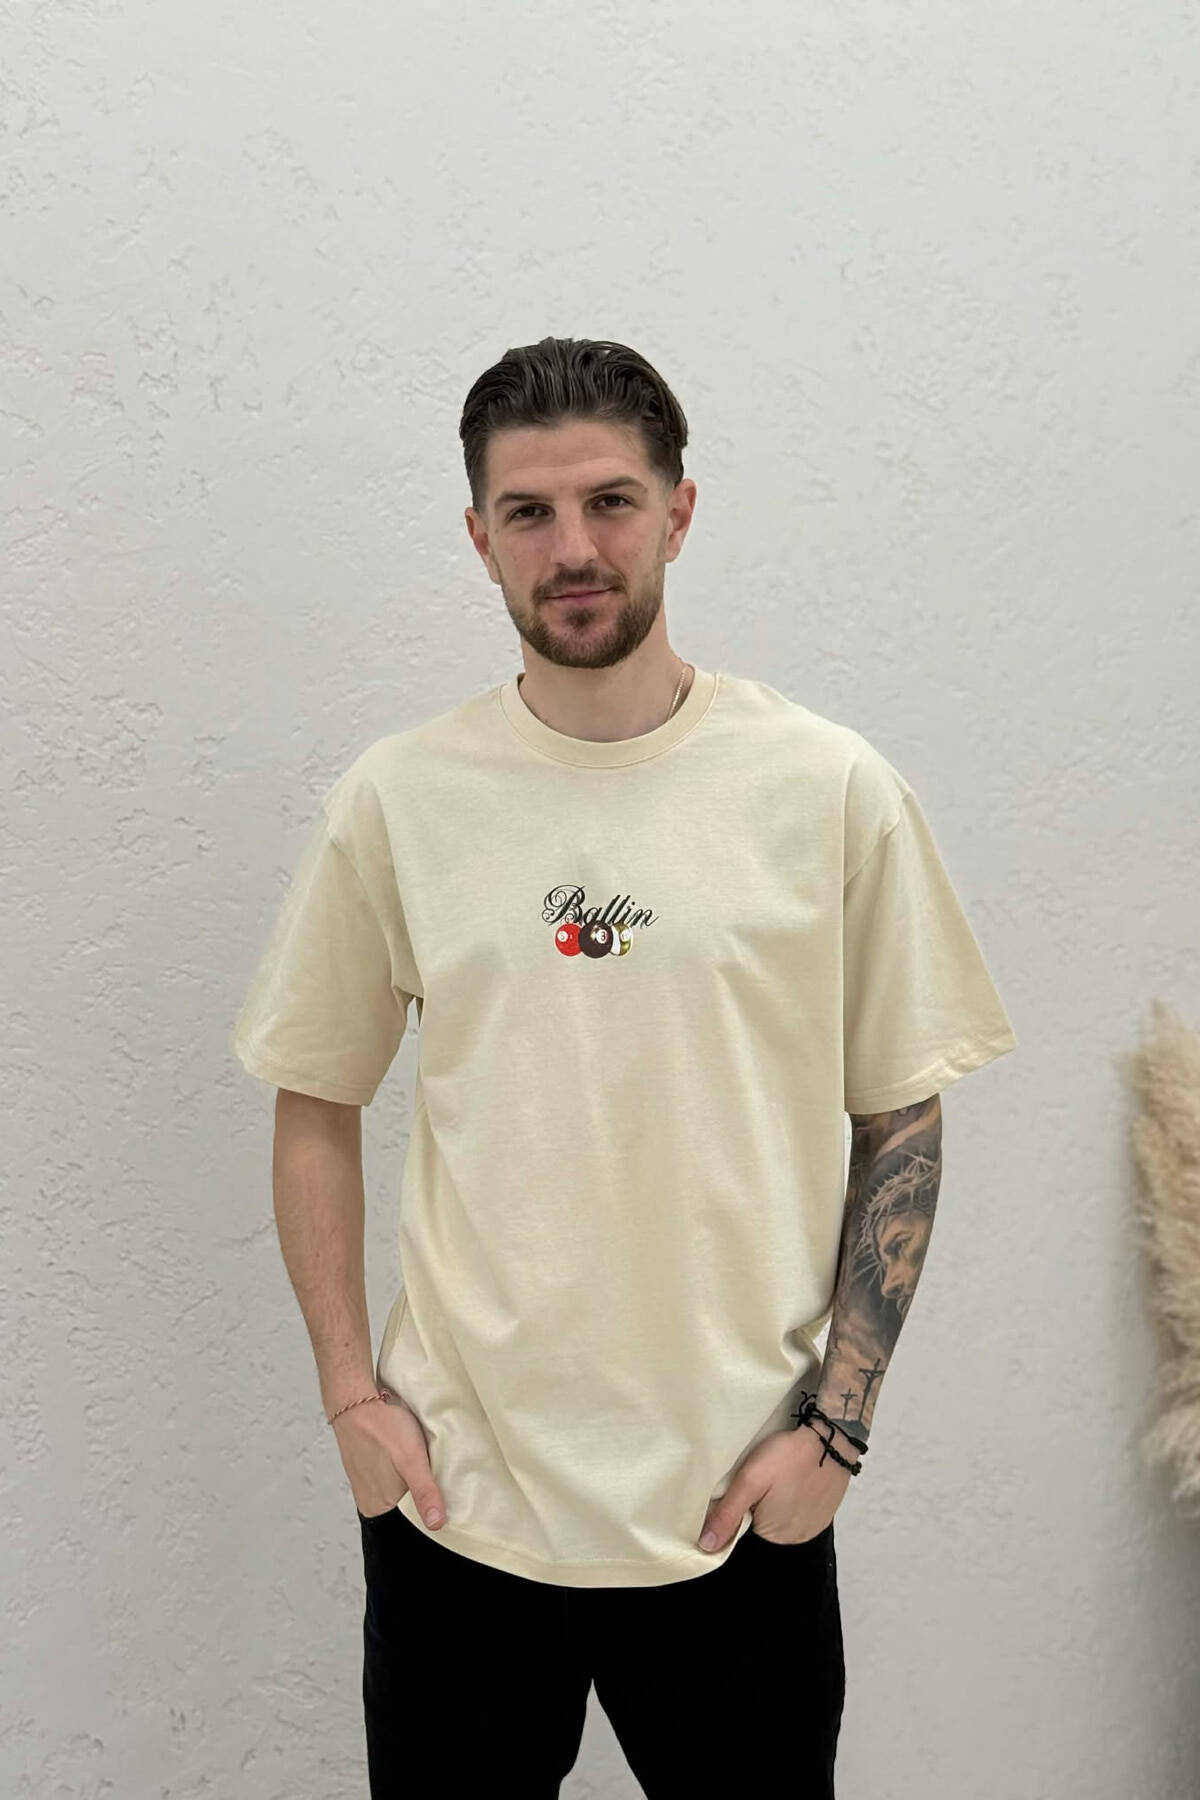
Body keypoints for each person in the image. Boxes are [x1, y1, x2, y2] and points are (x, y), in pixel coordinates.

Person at [230, 335, 1018, 1797]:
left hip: (739, 1506)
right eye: (528, 513)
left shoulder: (828, 789)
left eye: (610, 501)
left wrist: (838, 1434)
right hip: (458, 1508)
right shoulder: (400, 800)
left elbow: (900, 1118)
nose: (574, 549)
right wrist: (350, 1397)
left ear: (680, 512)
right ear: (480, 539)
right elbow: (315, 1099)